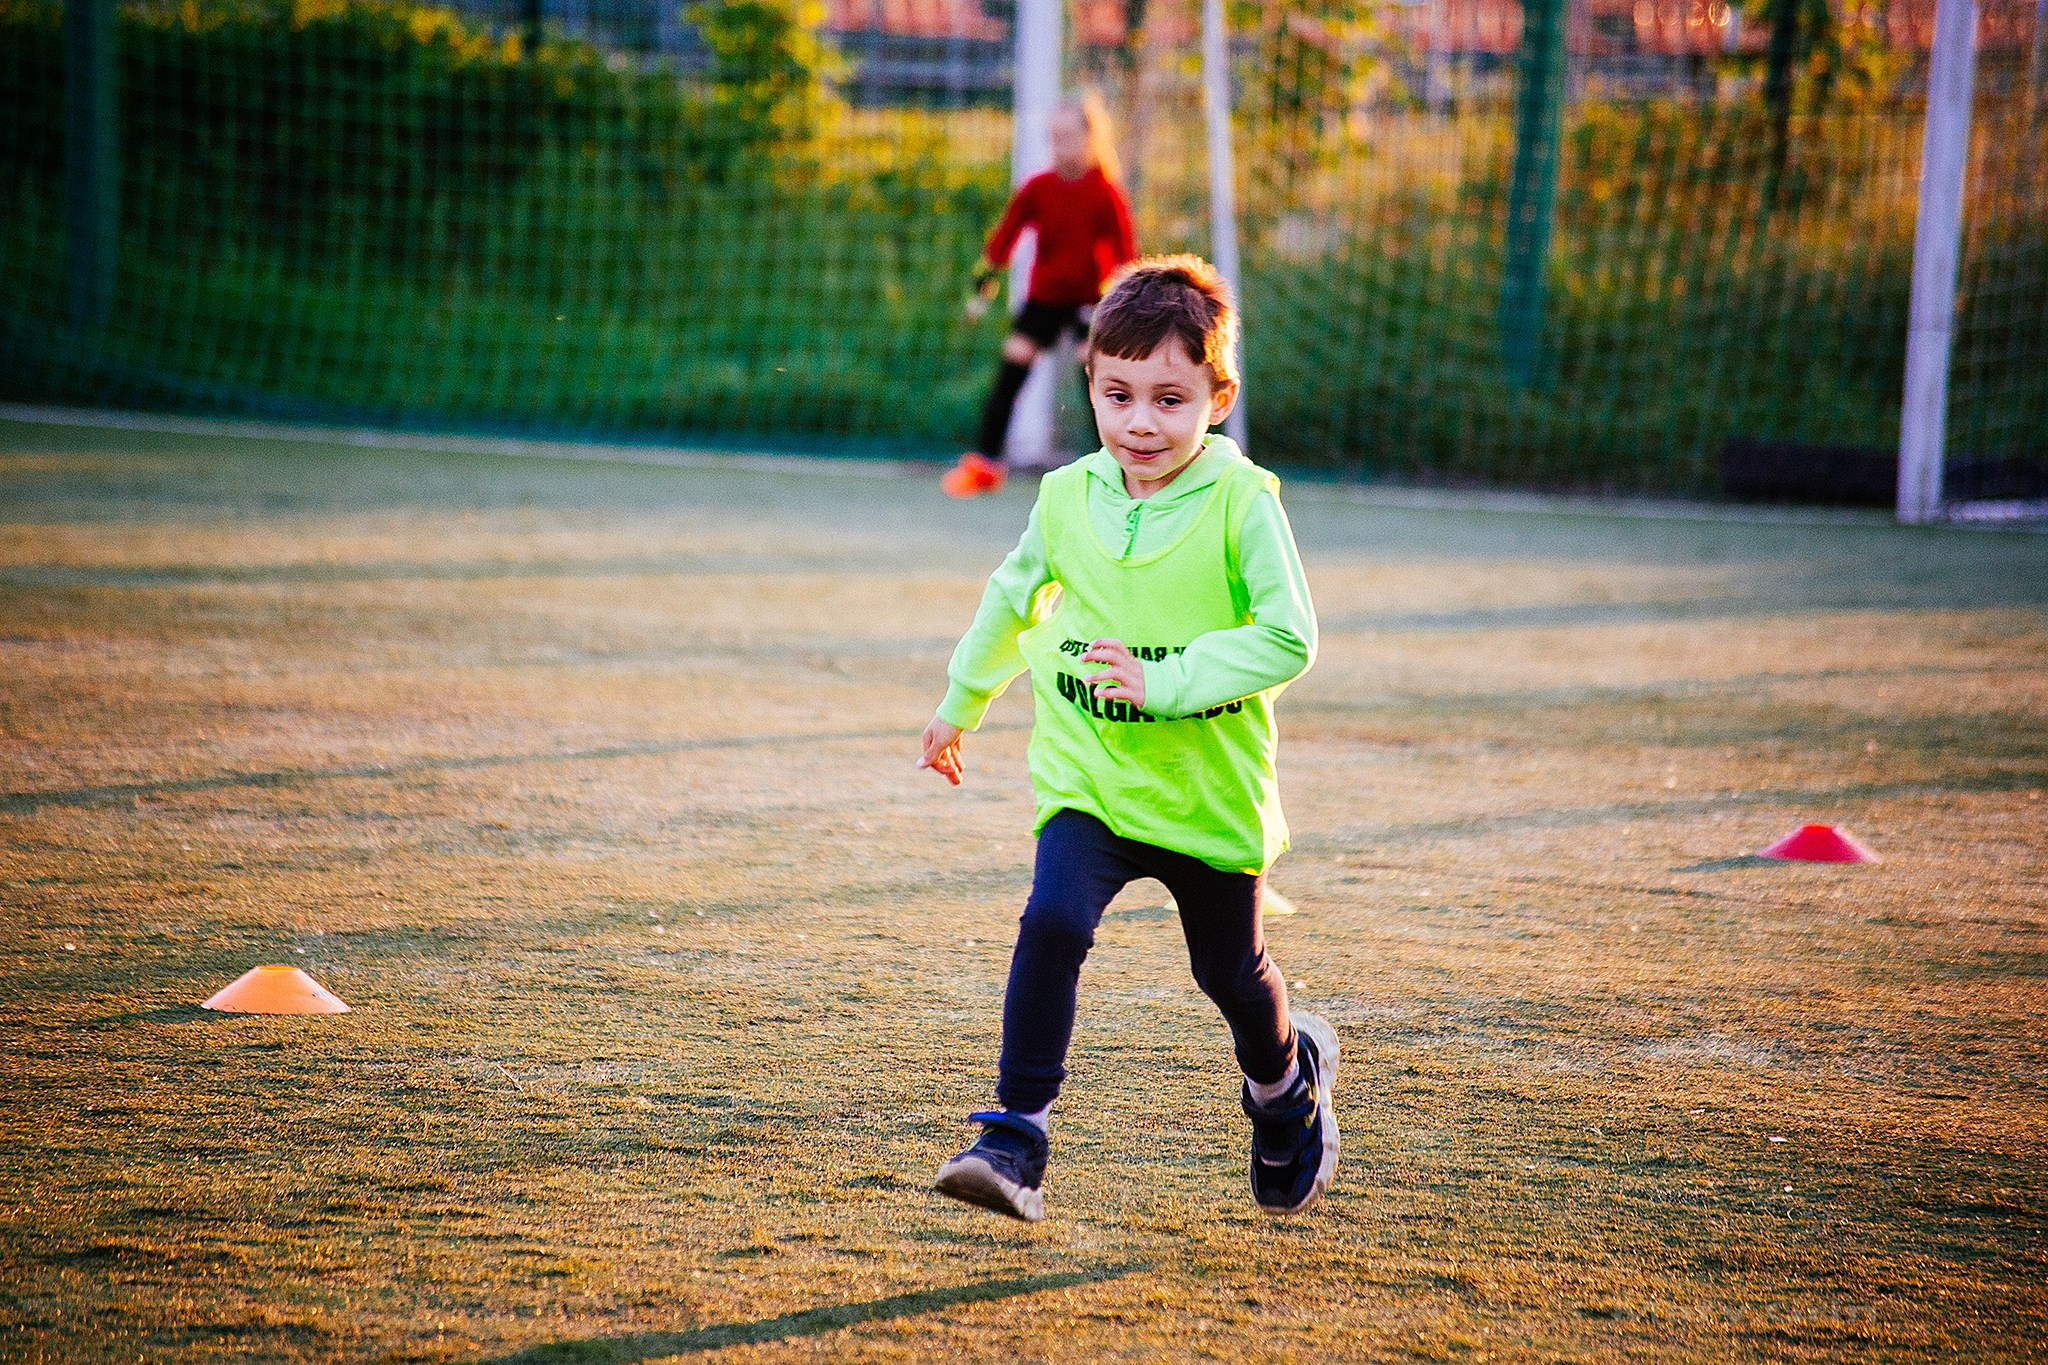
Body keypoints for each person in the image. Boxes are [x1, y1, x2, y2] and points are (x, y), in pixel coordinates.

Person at [917, 255, 1335, 1222]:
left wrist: (1169, 680)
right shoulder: (1066, 495)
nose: (1140, 422)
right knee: (1053, 920)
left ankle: (1285, 1091)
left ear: (1216, 398)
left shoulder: (1243, 502)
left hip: (1204, 793)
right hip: (1089, 774)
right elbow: (1014, 595)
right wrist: (960, 701)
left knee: (1229, 974)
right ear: (1092, 385)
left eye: (1169, 398)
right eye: (1117, 394)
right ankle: (1014, 1137)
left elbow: (1289, 635)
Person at [943, 95, 1138, 498]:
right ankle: (984, 465)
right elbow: (1003, 239)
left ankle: (1122, 474)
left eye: (1068, 137)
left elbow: (1125, 256)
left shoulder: (1105, 192)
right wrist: (981, 288)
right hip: (1044, 299)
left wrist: (1123, 307)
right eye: (1054, 138)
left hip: (1090, 303)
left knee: (1100, 379)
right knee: (1011, 372)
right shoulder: (1038, 188)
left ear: (1091, 138)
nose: (1060, 147)